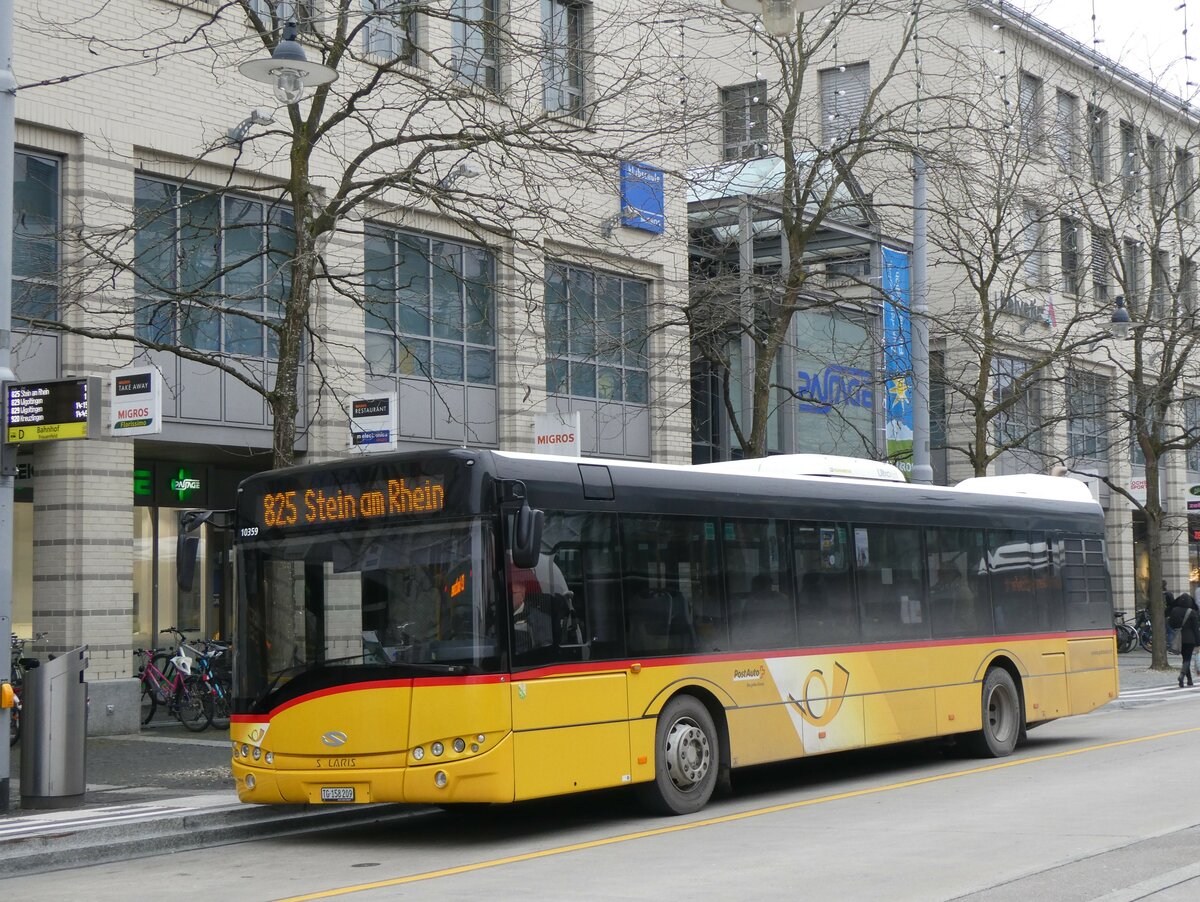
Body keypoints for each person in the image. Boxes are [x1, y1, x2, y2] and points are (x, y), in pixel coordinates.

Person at [1168, 592, 1200, 688]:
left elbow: (1171, 624)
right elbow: (1195, 628)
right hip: (1190, 639)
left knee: (1185, 659)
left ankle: (1189, 680)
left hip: (1179, 638)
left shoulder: (1174, 611)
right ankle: (1182, 676)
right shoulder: (1192, 612)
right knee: (1187, 659)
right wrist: (1198, 642)